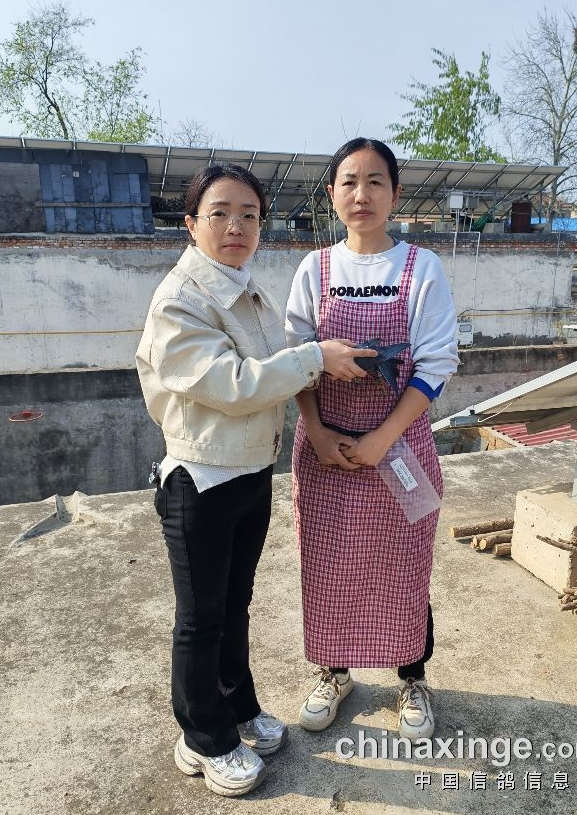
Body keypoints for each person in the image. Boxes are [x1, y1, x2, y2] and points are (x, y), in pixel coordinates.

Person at [135, 164, 376, 797]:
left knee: (233, 607)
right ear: (191, 224)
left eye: (249, 214)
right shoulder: (181, 300)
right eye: (219, 213)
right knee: (199, 620)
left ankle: (238, 707)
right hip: (200, 478)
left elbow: (272, 369)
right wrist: (315, 357)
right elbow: (234, 384)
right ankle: (204, 738)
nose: (235, 226)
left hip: (248, 471)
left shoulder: (247, 289)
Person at [286, 138, 459, 742]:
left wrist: (384, 437)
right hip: (326, 454)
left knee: (404, 566)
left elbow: (436, 363)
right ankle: (335, 673)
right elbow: (295, 361)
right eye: (349, 182)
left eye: (375, 181)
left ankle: (412, 677)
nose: (362, 195)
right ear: (332, 194)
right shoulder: (315, 269)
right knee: (329, 565)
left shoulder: (421, 267)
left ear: (395, 194)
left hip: (400, 449)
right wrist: (316, 430)